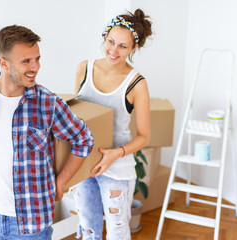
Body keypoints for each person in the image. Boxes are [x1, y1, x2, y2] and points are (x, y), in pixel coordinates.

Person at [0, 25, 94, 240]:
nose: (35, 67)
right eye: (26, 61)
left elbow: (83, 140)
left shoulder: (47, 103)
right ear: (3, 63)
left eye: (37, 59)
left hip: (32, 221)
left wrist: (60, 182)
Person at [73, 9, 152, 240]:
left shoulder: (137, 83)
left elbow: (144, 136)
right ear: (105, 36)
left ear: (133, 48)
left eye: (123, 46)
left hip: (116, 167)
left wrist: (114, 155)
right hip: (84, 162)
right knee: (88, 227)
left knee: (117, 230)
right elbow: (79, 115)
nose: (113, 51)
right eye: (111, 42)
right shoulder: (84, 69)